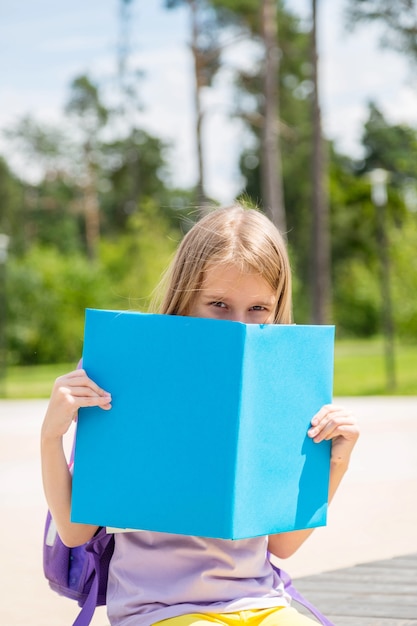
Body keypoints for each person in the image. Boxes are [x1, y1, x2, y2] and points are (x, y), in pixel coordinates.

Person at [41, 204, 359, 626]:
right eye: (219, 304)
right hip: (156, 611)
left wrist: (337, 459)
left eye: (259, 309)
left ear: (278, 305)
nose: (238, 326)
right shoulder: (126, 370)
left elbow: (281, 546)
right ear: (185, 296)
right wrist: (51, 436)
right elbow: (75, 533)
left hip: (259, 601)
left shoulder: (283, 382)